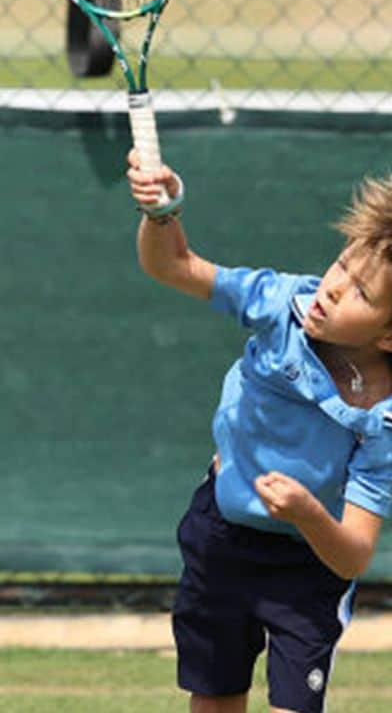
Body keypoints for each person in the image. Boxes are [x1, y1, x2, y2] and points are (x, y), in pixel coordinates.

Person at [128, 152, 392, 713]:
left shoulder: (386, 420)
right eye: (342, 266)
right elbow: (173, 266)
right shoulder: (279, 304)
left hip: (308, 566)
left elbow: (352, 557)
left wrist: (306, 513)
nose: (336, 288)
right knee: (215, 696)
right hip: (221, 536)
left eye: (363, 295)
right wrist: (162, 214)